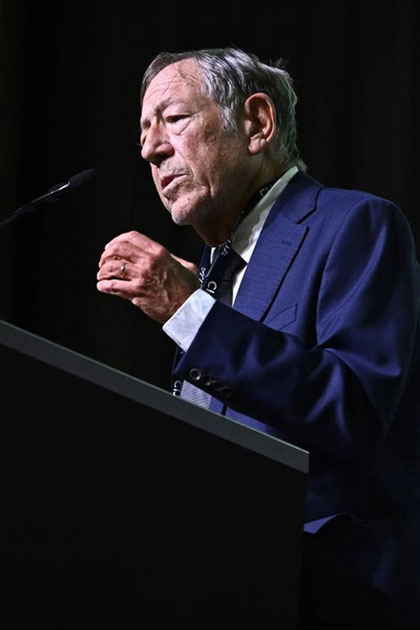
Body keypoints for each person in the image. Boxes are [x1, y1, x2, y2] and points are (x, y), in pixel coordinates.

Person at [96, 47, 420, 628]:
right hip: (212, 586)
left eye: (172, 119)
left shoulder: (354, 224)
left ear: (258, 124)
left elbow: (355, 407)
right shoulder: (211, 271)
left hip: (325, 590)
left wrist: (190, 311)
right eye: (144, 131)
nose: (150, 148)